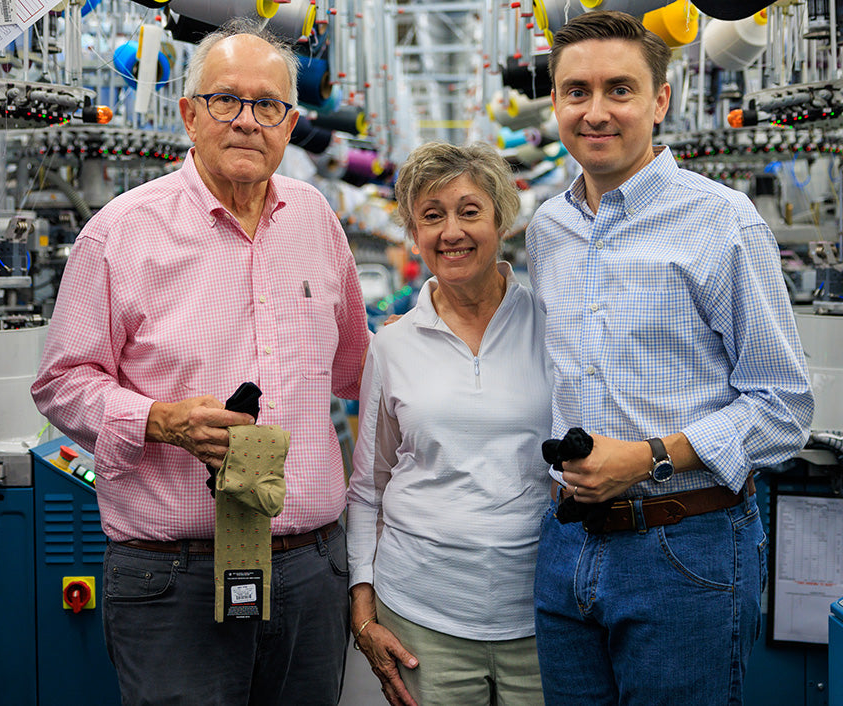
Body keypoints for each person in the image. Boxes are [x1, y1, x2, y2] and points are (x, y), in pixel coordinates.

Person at [30, 18, 370, 706]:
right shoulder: (121, 234)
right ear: (189, 113)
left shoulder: (316, 221)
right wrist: (159, 420)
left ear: (290, 120)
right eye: (226, 100)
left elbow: (360, 372)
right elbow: (61, 384)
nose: (247, 121)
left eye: (267, 105)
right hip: (174, 579)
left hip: (309, 573)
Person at [526, 10, 813, 706]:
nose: (595, 112)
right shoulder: (548, 228)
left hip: (687, 547)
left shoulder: (722, 221)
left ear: (661, 100)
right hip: (567, 543)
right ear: (556, 102)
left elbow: (785, 410)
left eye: (619, 89)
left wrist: (649, 455)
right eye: (576, 92)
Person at [347, 141, 553, 706]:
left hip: (541, 615)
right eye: (431, 216)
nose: (451, 231)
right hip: (421, 615)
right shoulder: (392, 346)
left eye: (469, 210)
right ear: (415, 234)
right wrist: (362, 606)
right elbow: (368, 487)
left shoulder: (553, 326)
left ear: (502, 219)